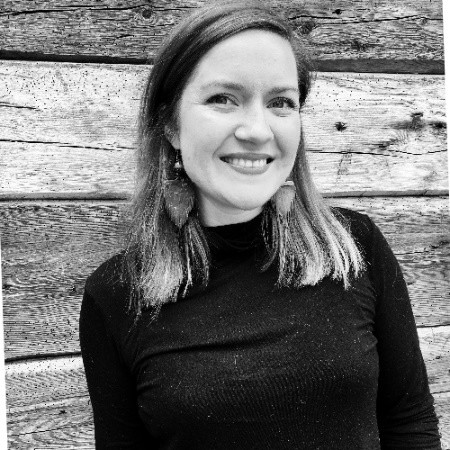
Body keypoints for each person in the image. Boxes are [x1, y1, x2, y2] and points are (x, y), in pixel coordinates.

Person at [79, 1, 442, 448]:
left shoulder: (355, 247)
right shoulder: (118, 295)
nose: (257, 130)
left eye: (280, 102)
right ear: (171, 124)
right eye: (222, 99)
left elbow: (409, 423)